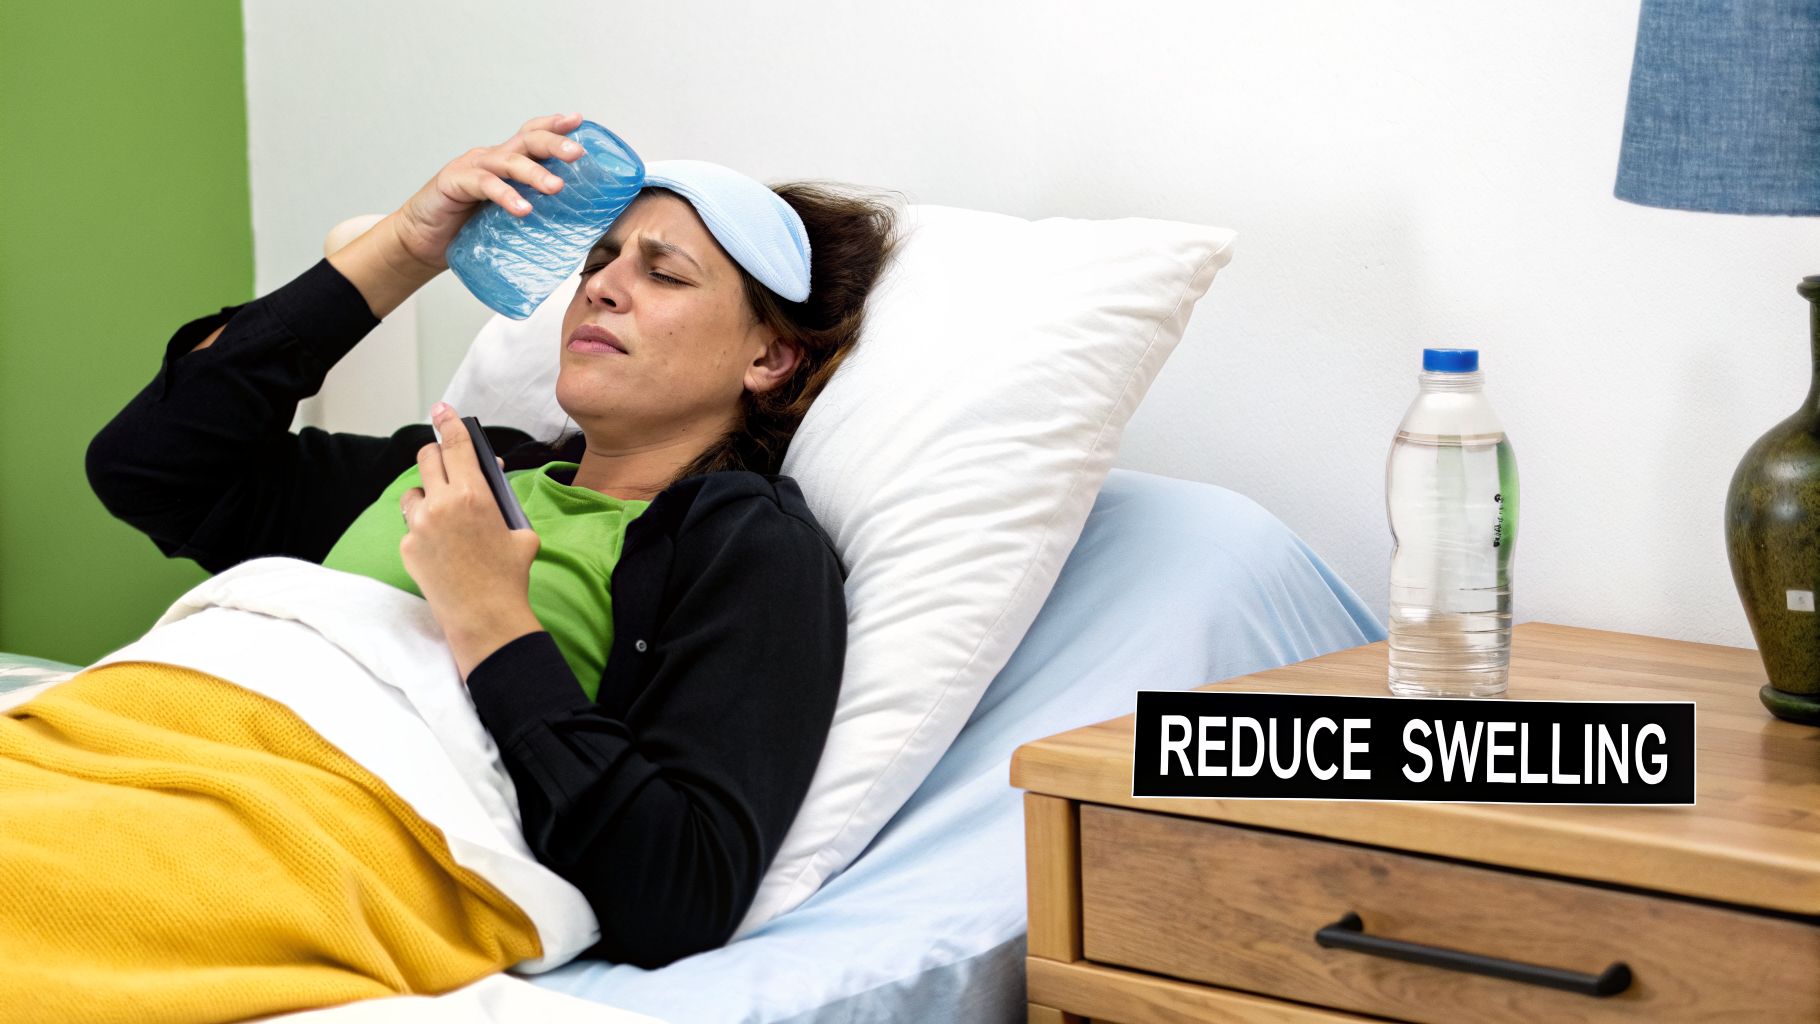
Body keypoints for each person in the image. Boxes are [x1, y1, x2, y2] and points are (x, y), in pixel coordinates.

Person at [84, 112, 902, 969]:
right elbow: (151, 465)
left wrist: (487, 614)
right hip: (132, 749)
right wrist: (406, 244)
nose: (604, 287)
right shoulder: (470, 467)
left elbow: (678, 891)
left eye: (663, 274)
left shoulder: (743, 543)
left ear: (769, 358)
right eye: (597, 262)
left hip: (283, 836)